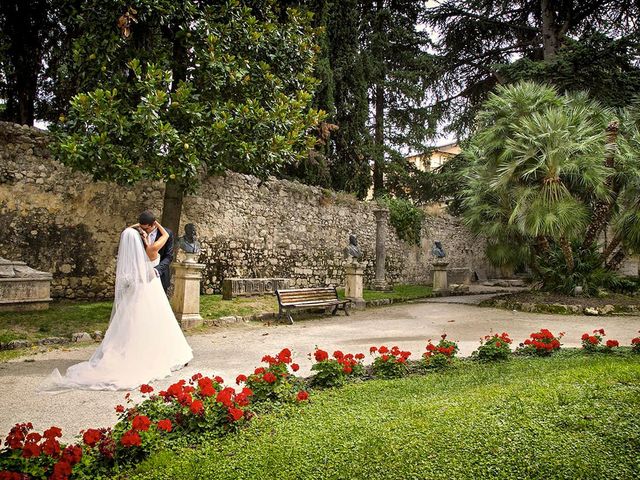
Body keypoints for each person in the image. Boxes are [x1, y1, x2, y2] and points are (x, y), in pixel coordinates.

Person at [40, 224, 193, 391]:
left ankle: (130, 352)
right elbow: (163, 238)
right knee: (154, 321)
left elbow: (164, 256)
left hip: (135, 291)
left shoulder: (134, 254)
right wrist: (154, 227)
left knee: (131, 323)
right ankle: (156, 352)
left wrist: (137, 229)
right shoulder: (151, 249)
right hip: (150, 288)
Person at [138, 210, 174, 293]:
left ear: (153, 224)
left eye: (146, 228)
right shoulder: (138, 233)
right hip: (141, 275)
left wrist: (157, 270)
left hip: (160, 275)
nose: (144, 230)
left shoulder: (167, 234)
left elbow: (169, 256)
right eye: (141, 227)